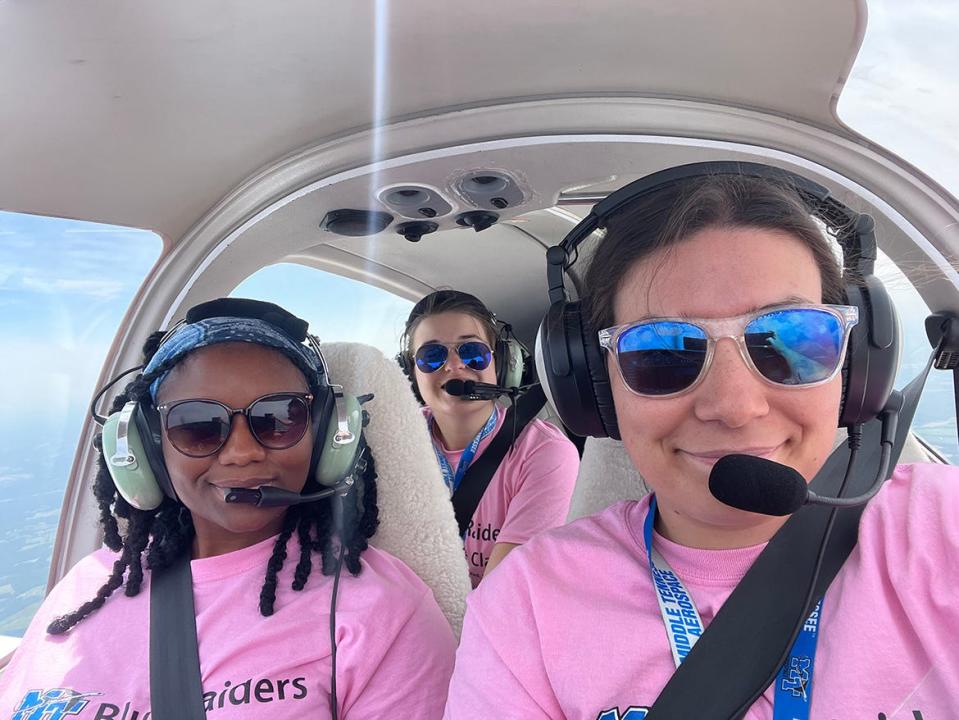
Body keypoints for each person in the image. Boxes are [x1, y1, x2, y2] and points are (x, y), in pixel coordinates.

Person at [444, 170, 959, 717]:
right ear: (595, 388)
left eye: (789, 338)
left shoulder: (940, 526)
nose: (735, 407)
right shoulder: (527, 606)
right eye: (663, 353)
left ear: (854, 368)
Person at [0, 298, 456, 719]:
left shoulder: (383, 614)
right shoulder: (81, 589)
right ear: (146, 446)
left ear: (325, 435)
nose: (242, 452)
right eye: (197, 425)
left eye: (279, 418)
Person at [400, 290, 580, 586]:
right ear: (413, 374)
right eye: (431, 356)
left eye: (471, 351)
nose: (454, 365)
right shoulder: (397, 439)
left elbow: (503, 592)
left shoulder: (544, 453)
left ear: (502, 363)